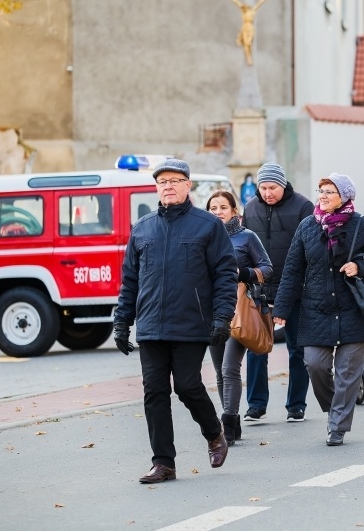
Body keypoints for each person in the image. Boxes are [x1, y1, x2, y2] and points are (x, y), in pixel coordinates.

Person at [113, 159, 238, 484]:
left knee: (186, 385)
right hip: (151, 325)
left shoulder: (207, 225)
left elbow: (225, 274)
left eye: (174, 180)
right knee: (154, 392)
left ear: (187, 185)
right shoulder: (143, 228)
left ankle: (214, 434)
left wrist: (222, 316)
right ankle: (163, 462)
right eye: (162, 181)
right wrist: (122, 321)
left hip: (190, 323)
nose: (168, 186)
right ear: (156, 187)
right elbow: (130, 280)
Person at [273, 174, 364, 446]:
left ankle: (337, 427)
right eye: (321, 190)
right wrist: (281, 308)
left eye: (330, 191)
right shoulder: (307, 226)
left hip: (354, 310)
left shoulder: (360, 224)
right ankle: (335, 408)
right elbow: (292, 270)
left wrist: (359, 266)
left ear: (344, 197)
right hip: (316, 309)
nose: (323, 196)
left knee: (347, 373)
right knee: (315, 364)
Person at [242, 162, 314, 423]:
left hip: (295, 290)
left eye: (272, 187)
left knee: (298, 349)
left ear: (283, 185)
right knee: (256, 348)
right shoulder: (251, 208)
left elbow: (311, 249)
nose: (267, 192)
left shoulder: (304, 207)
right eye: (263, 188)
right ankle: (256, 405)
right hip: (260, 290)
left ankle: (296, 405)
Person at [206, 190, 272, 445]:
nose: (218, 212)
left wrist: (243, 272)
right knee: (219, 372)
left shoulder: (247, 237)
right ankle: (232, 418)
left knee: (229, 368)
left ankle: (228, 425)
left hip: (239, 310)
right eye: (213, 208)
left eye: (223, 207)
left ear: (234, 211)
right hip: (211, 311)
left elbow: (267, 268)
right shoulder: (202, 237)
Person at [229, 0, 268, 65]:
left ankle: (249, 57)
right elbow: (236, 2)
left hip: (250, 28)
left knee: (249, 43)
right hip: (245, 27)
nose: (246, 7)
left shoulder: (252, 11)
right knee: (246, 44)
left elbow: (259, 3)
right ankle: (248, 58)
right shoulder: (243, 11)